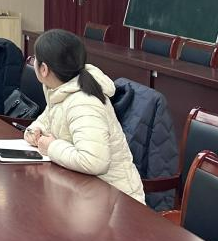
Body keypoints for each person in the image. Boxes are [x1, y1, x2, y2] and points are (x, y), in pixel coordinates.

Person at [24, 30, 146, 204]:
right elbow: (46, 120)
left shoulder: (83, 102)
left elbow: (94, 161)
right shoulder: (59, 89)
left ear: (44, 69)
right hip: (85, 193)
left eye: (35, 59)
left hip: (118, 202)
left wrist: (51, 146)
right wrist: (34, 131)